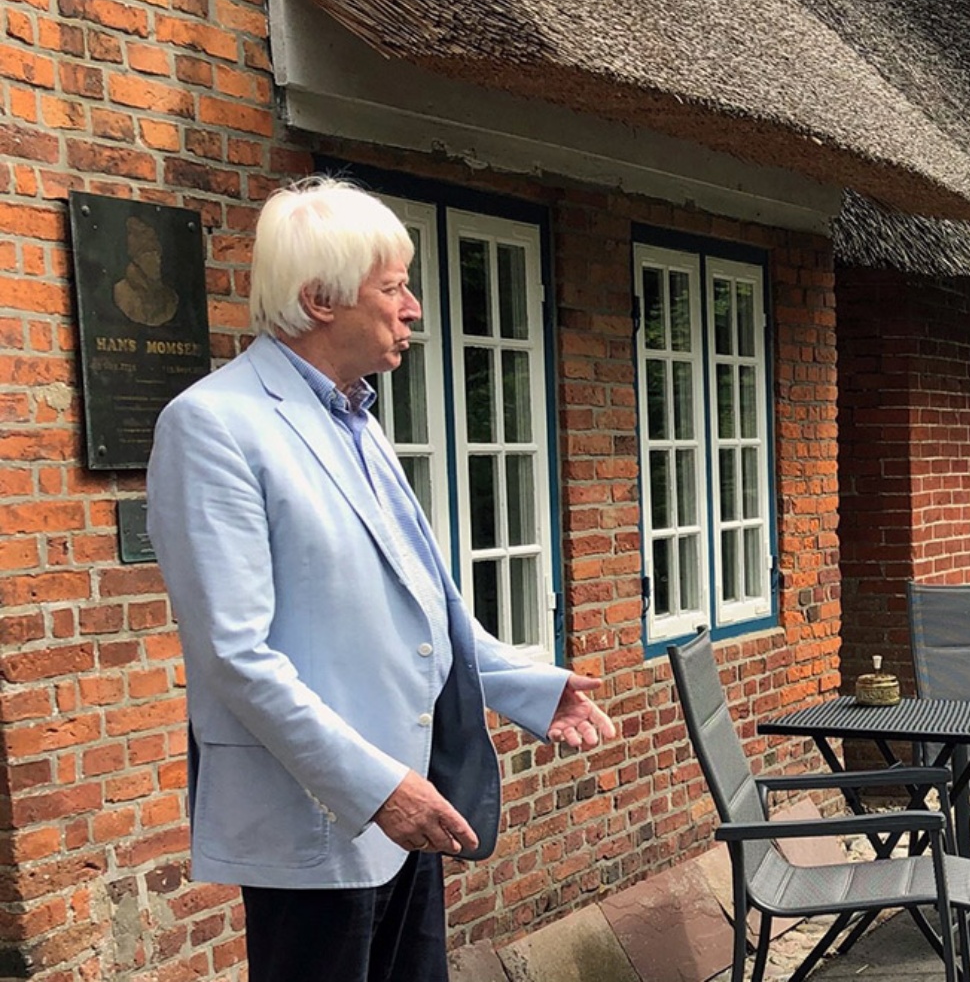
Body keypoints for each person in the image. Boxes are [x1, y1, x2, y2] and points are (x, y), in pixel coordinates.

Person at [146, 178, 618, 982]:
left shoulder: (357, 420)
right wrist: (377, 788)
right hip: (321, 824)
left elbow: (420, 601)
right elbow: (235, 655)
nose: (414, 308)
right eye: (394, 286)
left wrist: (528, 685)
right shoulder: (213, 426)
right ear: (321, 298)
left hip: (405, 813)